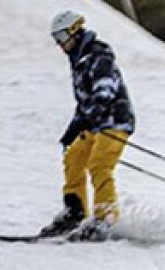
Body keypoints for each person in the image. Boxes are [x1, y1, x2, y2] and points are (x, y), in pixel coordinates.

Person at [40, 11, 136, 241]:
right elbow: (85, 101)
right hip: (96, 123)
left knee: (99, 165)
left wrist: (88, 117)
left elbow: (104, 91)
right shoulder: (79, 60)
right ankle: (75, 212)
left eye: (62, 37)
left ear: (74, 31)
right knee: (73, 157)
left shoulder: (98, 56)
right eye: (56, 39)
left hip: (115, 121)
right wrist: (73, 128)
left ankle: (106, 219)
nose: (59, 44)